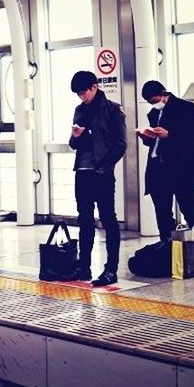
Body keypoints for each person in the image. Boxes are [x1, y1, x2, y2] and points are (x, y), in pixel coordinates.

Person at [138, 80, 194, 272]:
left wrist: (169, 134)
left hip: (180, 170)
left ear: (163, 93)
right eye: (150, 101)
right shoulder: (154, 113)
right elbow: (157, 144)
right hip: (157, 170)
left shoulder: (185, 108)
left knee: (190, 213)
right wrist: (148, 138)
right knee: (163, 215)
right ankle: (169, 253)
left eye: (154, 99)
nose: (153, 104)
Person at [68, 71, 127, 286]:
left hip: (101, 173)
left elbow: (121, 144)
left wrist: (104, 167)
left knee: (108, 219)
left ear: (94, 87)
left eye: (83, 92)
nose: (80, 97)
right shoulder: (79, 110)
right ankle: (84, 267)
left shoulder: (112, 110)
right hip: (82, 173)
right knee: (84, 220)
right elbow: (74, 144)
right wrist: (75, 138)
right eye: (77, 94)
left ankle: (111, 270)